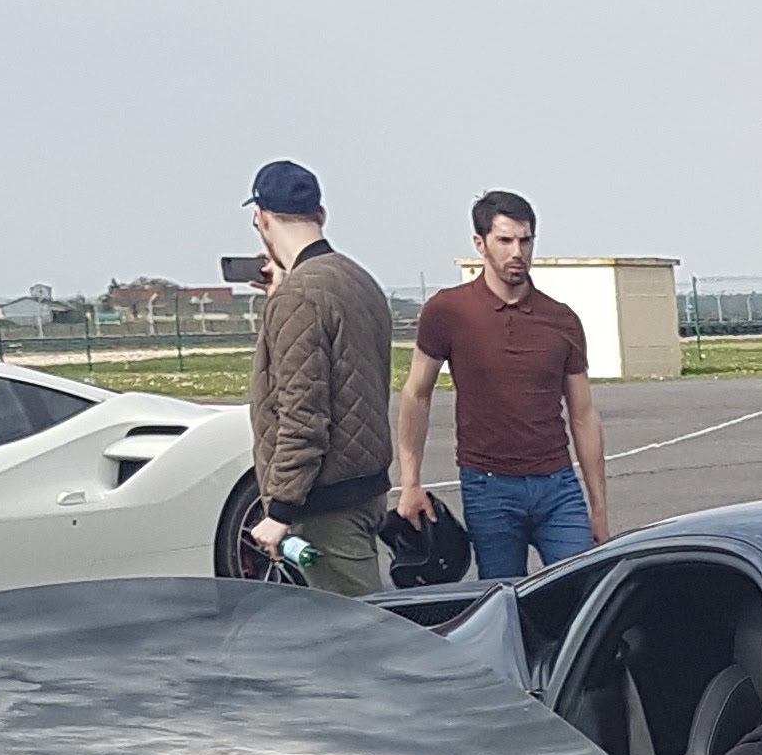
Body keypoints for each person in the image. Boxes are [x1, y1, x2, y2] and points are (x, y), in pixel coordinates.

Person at [398, 192, 606, 579]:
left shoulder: (561, 319)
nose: (517, 252)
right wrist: (410, 483)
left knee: (585, 587)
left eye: (525, 241)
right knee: (502, 598)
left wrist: (598, 507)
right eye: (505, 240)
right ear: (480, 244)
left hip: (558, 485)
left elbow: (583, 414)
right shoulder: (448, 311)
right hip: (489, 486)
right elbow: (416, 394)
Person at [242, 159, 396, 595]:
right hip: (365, 488)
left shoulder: (299, 296)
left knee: (357, 628)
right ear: (321, 215)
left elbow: (302, 412)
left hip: (325, 504)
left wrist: (281, 509)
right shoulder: (358, 280)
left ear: (262, 219)